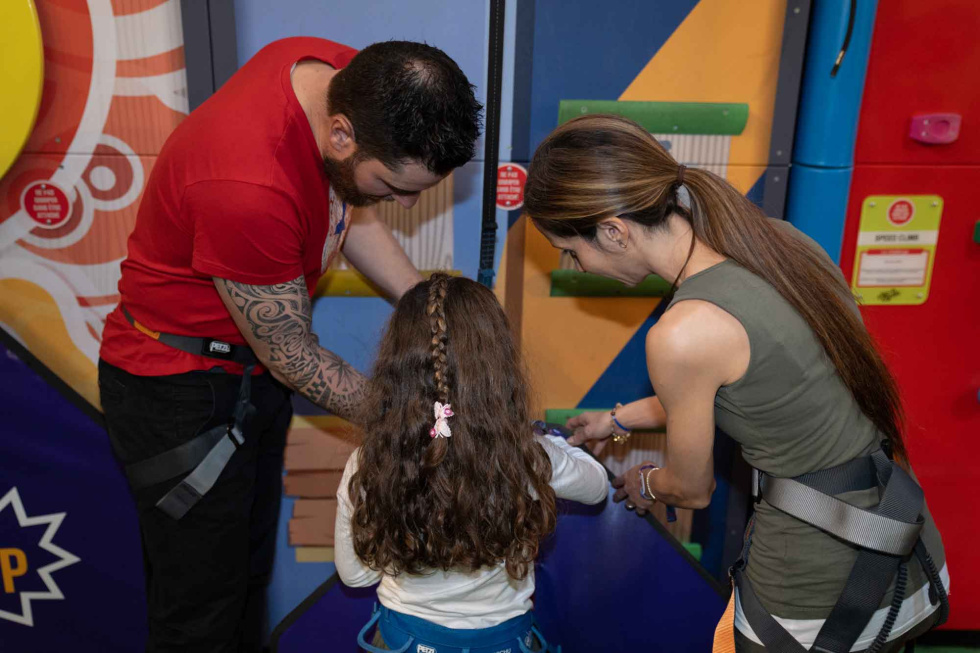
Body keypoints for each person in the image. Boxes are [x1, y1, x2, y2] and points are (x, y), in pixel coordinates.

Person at [97, 38, 482, 652]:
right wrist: (427, 420)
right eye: (394, 185)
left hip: (249, 374)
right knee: (201, 611)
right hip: (179, 391)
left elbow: (346, 206)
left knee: (245, 579)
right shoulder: (248, 184)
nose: (408, 204)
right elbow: (293, 356)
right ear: (341, 135)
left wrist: (426, 303)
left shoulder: (338, 73)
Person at [522, 114, 949, 653]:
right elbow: (757, 386)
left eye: (571, 251)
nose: (577, 266)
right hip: (900, 542)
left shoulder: (682, 331)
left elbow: (693, 488)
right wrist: (618, 419)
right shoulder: (779, 245)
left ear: (613, 230)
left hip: (812, 591)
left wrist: (647, 484)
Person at [334, 274, 608, 653]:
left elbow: (356, 577)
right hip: (505, 642)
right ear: (497, 368)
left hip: (407, 642)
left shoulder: (369, 463)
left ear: (396, 367)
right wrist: (552, 442)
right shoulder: (527, 456)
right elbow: (597, 485)